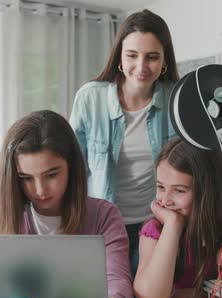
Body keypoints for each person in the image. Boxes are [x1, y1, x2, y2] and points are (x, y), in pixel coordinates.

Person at [69, 9, 179, 277]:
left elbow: (188, 170)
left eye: (152, 57)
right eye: (132, 55)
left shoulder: (175, 100)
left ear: (164, 59)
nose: (141, 67)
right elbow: (72, 168)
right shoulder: (90, 98)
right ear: (119, 55)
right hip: (101, 227)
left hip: (155, 227)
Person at [0, 110, 132, 298]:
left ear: (71, 166)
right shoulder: (4, 220)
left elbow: (117, 277)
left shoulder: (104, 215)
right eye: (26, 178)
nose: (40, 190)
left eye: (51, 174)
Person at [133, 138, 222, 298]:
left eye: (179, 190)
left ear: (208, 191)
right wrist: (172, 226)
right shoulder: (156, 229)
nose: (165, 201)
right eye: (161, 187)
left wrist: (182, 295)